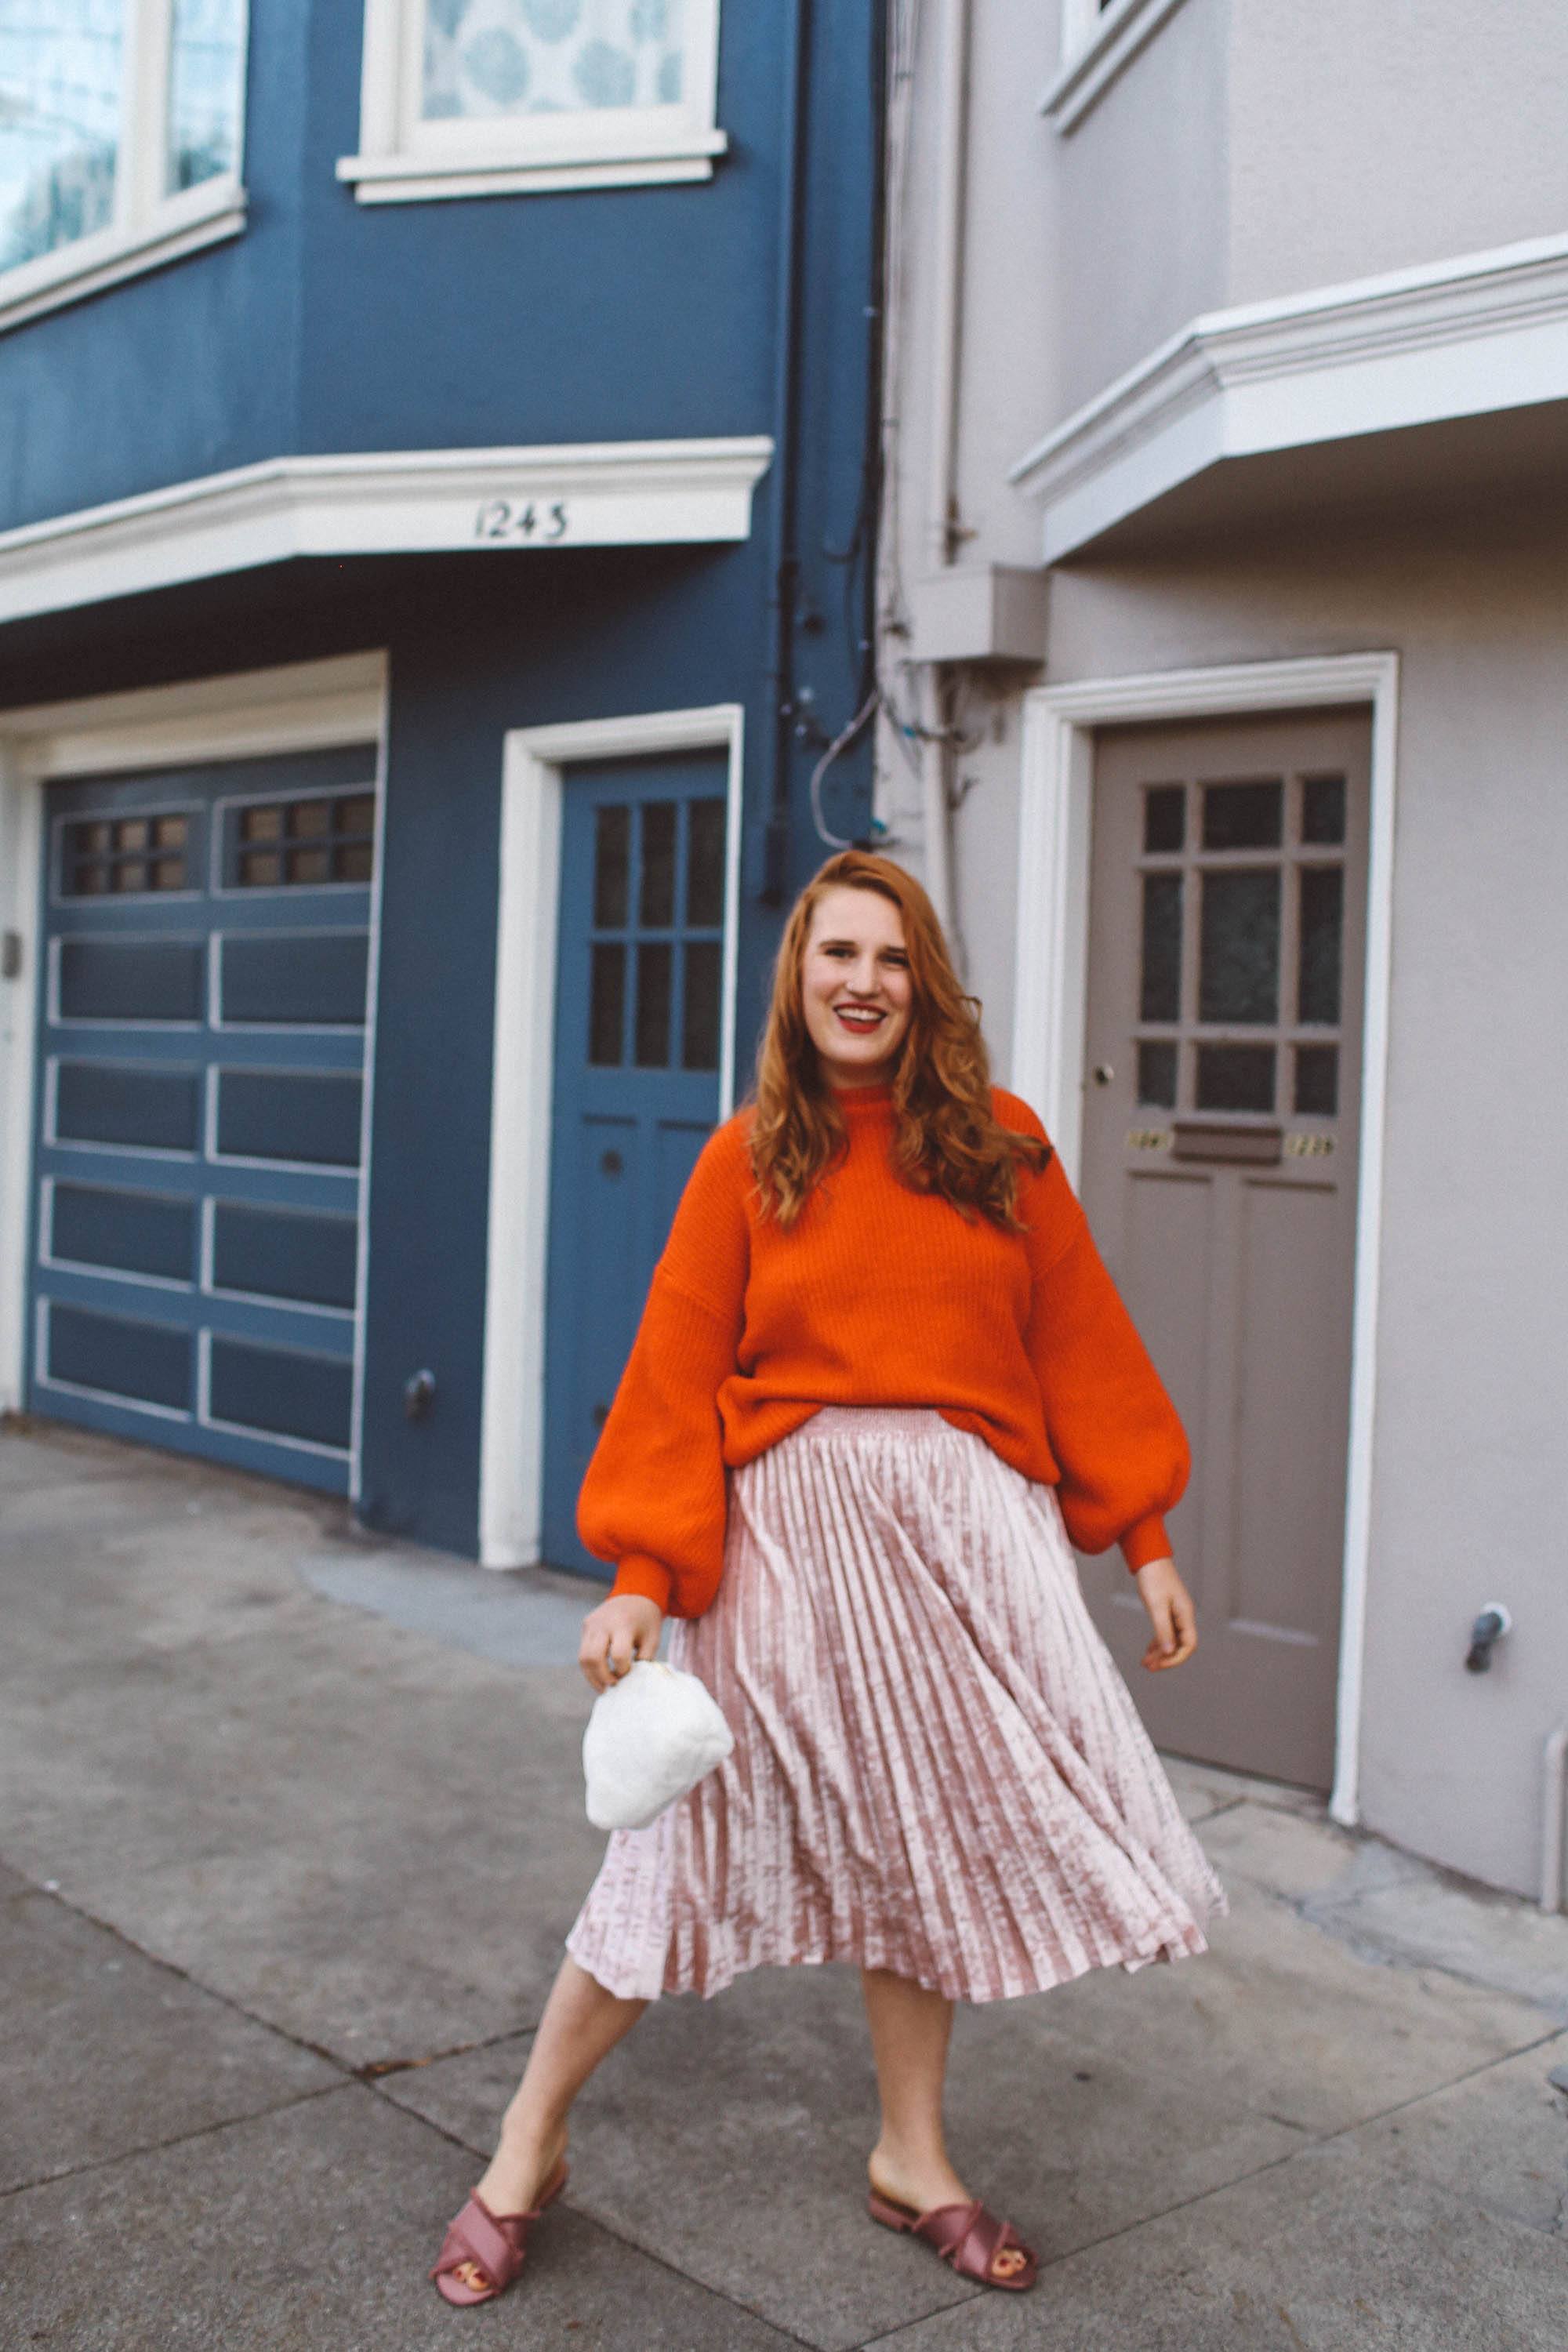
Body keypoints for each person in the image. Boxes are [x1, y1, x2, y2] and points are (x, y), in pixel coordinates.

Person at [430, 850, 1229, 2308]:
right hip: (788, 1555)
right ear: (797, 981)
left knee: (920, 1845)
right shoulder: (747, 1157)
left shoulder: (1005, 1146)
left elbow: (1084, 1351)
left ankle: (910, 2158)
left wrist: (1148, 1538)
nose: (862, 981)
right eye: (835, 955)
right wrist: (638, 1573)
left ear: (925, 981)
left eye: (890, 956)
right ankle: (523, 2144)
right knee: (676, 1850)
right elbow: (673, 1375)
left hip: (971, 1546)